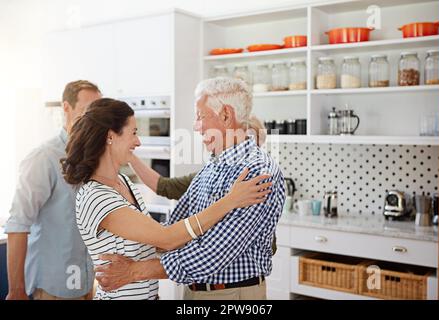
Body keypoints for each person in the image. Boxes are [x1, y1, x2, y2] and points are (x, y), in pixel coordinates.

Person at [95, 77, 286, 300]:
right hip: (197, 290)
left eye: (200, 116)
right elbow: (178, 224)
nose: (196, 126)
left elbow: (212, 254)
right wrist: (135, 249)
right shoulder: (215, 164)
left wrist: (134, 271)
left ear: (225, 115)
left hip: (231, 295)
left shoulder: (256, 173)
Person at [5, 80, 102, 300]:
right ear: (66, 107)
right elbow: (18, 224)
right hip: (52, 289)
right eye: (87, 111)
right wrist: (16, 291)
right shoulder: (44, 158)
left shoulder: (95, 158)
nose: (94, 120)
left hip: (87, 284)